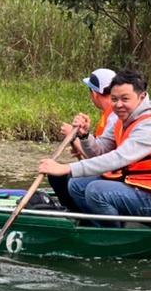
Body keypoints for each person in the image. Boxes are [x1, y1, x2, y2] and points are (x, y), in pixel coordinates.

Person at [39, 70, 151, 227]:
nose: (118, 105)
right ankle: (97, 227)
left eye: (125, 99)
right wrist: (85, 136)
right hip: (136, 187)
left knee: (96, 190)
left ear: (141, 97)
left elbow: (117, 158)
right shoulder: (123, 119)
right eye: (114, 99)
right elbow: (100, 151)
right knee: (77, 184)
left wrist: (66, 168)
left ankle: (114, 237)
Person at [48, 67, 118, 211]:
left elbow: (101, 159)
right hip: (107, 169)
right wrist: (81, 139)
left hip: (113, 174)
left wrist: (73, 138)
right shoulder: (109, 115)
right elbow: (96, 154)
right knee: (61, 175)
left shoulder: (113, 116)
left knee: (59, 177)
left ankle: (80, 216)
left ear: (94, 93)